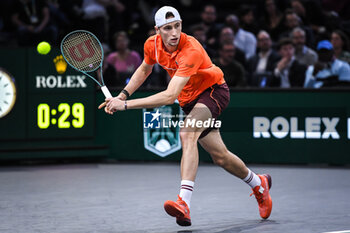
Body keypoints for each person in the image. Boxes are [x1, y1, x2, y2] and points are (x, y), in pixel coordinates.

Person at [99, 6, 272, 226]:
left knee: (187, 133)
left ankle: (184, 203)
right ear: (157, 30)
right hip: (189, 100)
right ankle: (259, 183)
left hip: (212, 91)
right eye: (167, 28)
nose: (174, 33)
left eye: (177, 26)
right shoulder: (151, 45)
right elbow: (144, 70)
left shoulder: (191, 49)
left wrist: (124, 104)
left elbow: (169, 95)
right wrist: (122, 94)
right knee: (220, 156)